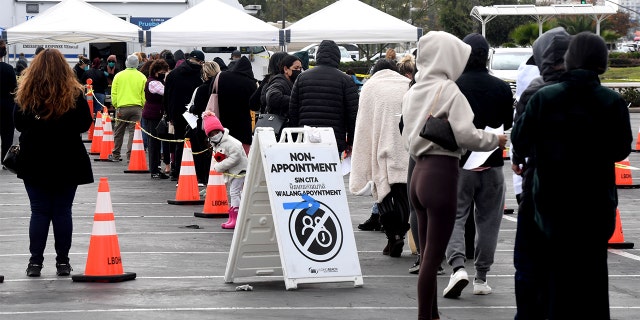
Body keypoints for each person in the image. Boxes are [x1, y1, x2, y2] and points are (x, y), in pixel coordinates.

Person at [512, 31, 632, 320]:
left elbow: (520, 140)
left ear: (570, 58)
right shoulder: (611, 102)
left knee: (551, 280)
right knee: (592, 282)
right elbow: (620, 151)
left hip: (550, 206)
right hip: (595, 207)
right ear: (602, 62)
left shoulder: (544, 97)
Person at [400, 31, 507, 320]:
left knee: (427, 255)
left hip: (418, 170)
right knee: (433, 258)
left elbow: (405, 133)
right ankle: (426, 316)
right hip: (441, 172)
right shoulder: (448, 90)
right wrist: (495, 140)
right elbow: (467, 135)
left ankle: (432, 314)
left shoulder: (413, 90)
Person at [442, 33, 514, 298]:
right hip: (493, 163)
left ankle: (458, 267)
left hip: (458, 163)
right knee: (489, 222)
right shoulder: (502, 87)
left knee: (455, 217)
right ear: (487, 56)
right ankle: (481, 277)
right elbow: (508, 124)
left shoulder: (452, 86)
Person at [13, 48, 94, 277]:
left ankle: (35, 263)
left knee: (38, 211)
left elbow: (18, 124)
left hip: (34, 158)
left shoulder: (27, 92)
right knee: (62, 212)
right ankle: (63, 262)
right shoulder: (74, 93)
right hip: (67, 157)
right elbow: (83, 124)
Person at [511, 26, 570, 320]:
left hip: (540, 186)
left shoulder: (535, 90)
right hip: (581, 192)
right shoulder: (591, 91)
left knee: (528, 261)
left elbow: (519, 140)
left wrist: (519, 160)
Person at [349, 58, 410, 258]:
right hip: (406, 148)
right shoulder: (407, 84)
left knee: (383, 194)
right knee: (403, 194)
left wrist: (361, 155)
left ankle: (393, 236)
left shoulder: (370, 87)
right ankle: (400, 232)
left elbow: (363, 125)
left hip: (381, 146)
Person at [289, 40, 359, 158]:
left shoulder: (302, 77)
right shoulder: (345, 80)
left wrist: (296, 136)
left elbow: (293, 110)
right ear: (337, 56)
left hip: (306, 138)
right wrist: (351, 141)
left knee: (308, 175)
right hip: (333, 140)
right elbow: (353, 114)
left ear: (318, 55)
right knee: (331, 174)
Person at [202, 110, 248, 229]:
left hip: (239, 171)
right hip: (233, 172)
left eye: (216, 132)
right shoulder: (218, 143)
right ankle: (233, 217)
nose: (214, 135)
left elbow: (235, 157)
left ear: (220, 130)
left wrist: (219, 167)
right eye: (211, 134)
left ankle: (236, 217)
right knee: (233, 193)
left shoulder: (231, 142)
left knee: (234, 192)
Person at [163, 50, 204, 180]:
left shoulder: (173, 74)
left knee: (179, 143)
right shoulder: (202, 75)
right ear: (201, 61)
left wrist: (169, 115)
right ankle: (198, 172)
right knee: (198, 144)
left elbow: (166, 97)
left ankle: (177, 171)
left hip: (177, 115)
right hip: (197, 115)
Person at [188, 61, 221, 185]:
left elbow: (196, 109)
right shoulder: (220, 87)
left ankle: (203, 178)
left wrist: (191, 109)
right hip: (219, 123)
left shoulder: (201, 89)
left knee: (202, 151)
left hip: (204, 124)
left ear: (205, 74)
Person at [216, 56, 257, 155]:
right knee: (242, 156)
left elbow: (212, 94)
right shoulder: (251, 83)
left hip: (223, 124)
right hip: (242, 126)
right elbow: (254, 106)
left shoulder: (222, 77)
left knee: (224, 156)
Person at [110, 54, 147, 162]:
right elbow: (144, 94)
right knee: (133, 132)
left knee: (118, 131)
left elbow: (114, 92)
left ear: (126, 63)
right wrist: (142, 105)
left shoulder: (118, 75)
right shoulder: (142, 77)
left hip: (122, 108)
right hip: (137, 108)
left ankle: (116, 155)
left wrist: (116, 104)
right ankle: (130, 157)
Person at [141, 59, 171, 179]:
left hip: (155, 114)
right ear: (155, 71)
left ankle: (157, 168)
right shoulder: (154, 83)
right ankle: (154, 170)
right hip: (153, 115)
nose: (164, 73)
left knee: (157, 142)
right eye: (163, 72)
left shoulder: (156, 81)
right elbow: (166, 92)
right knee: (154, 143)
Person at [263, 54, 302, 137]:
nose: (299, 70)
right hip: (280, 130)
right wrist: (295, 100)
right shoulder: (279, 81)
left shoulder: (291, 82)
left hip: (286, 130)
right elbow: (273, 97)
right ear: (285, 69)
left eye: (300, 68)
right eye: (296, 68)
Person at [0, 39, 17, 170]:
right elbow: (14, 88)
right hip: (6, 105)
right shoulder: (9, 69)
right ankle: (4, 160)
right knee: (7, 134)